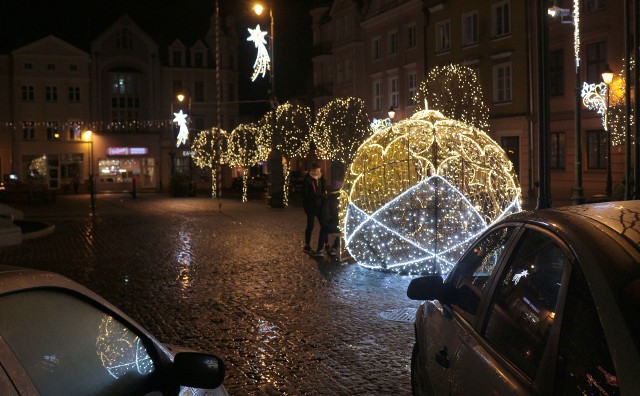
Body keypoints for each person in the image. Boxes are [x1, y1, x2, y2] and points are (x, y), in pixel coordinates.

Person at [302, 163, 326, 256]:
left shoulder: (321, 179)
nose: (318, 172)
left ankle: (324, 245)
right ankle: (307, 246)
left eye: (319, 171)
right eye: (316, 171)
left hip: (320, 206)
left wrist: (323, 196)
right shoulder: (307, 180)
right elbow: (306, 194)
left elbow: (323, 189)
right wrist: (318, 195)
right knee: (310, 226)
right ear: (312, 171)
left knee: (324, 225)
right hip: (311, 207)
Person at [319, 185, 341, 257]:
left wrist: (326, 221)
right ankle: (334, 248)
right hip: (340, 225)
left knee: (323, 229)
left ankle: (320, 249)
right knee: (341, 232)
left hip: (331, 223)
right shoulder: (343, 199)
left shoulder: (329, 198)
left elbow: (325, 212)